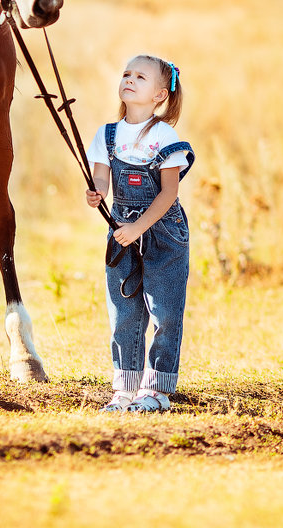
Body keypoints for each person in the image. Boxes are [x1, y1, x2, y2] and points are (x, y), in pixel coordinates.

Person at [85, 54, 195, 413]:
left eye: (141, 77)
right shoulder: (108, 134)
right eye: (127, 73)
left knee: (164, 309)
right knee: (124, 310)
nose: (129, 79)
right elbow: (102, 176)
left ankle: (158, 390)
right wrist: (97, 191)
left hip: (162, 231)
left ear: (159, 95)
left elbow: (169, 193)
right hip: (122, 232)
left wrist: (137, 228)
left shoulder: (164, 135)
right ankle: (125, 388)